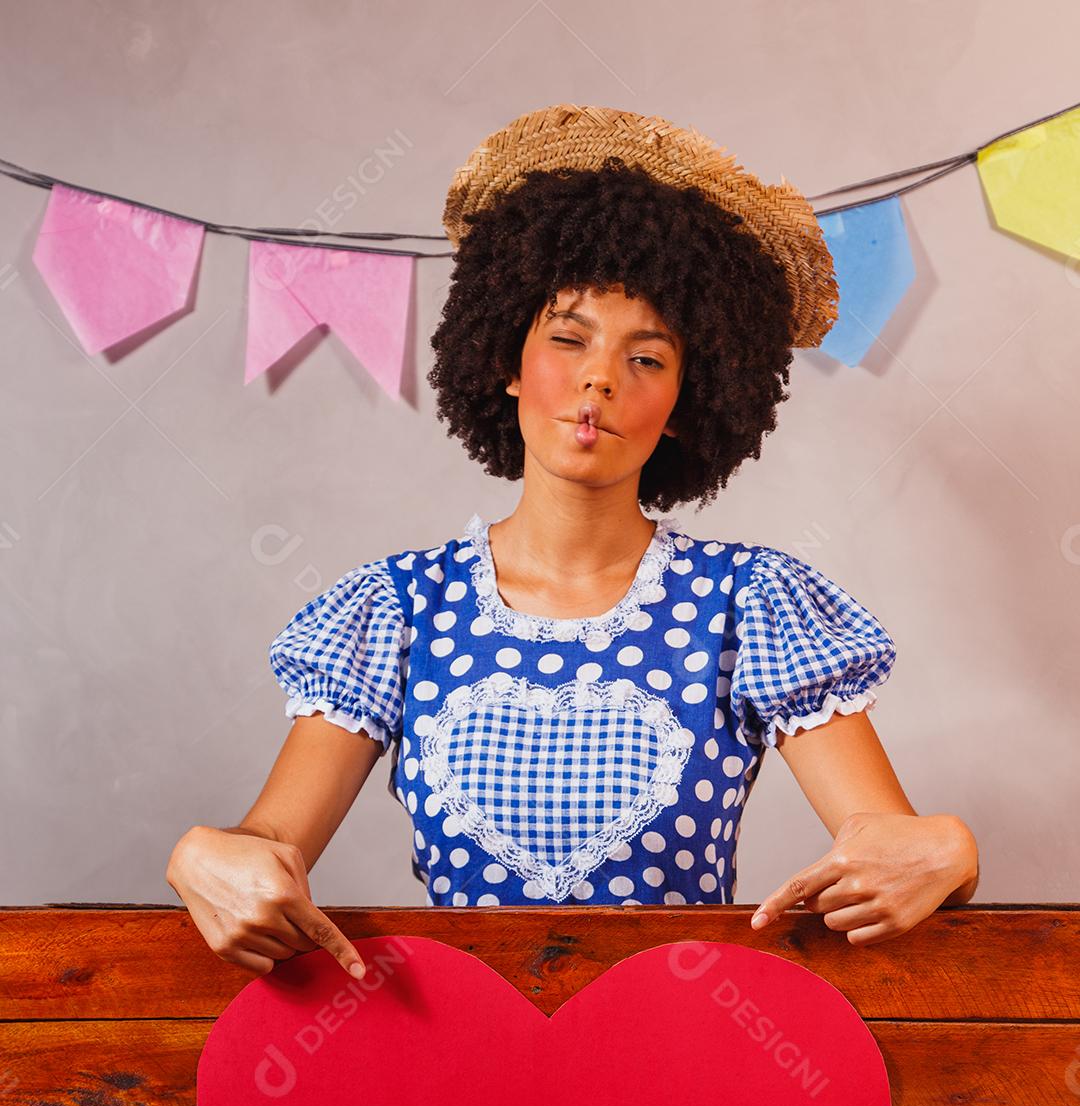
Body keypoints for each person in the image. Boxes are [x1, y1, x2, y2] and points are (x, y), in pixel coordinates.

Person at [166, 104, 979, 981]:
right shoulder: (396, 607)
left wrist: (949, 851)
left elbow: (888, 838)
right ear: (507, 360)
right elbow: (268, 841)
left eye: (648, 358)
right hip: (462, 1060)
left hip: (681, 1057)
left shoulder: (750, 603)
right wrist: (210, 857)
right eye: (568, 337)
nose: (600, 376)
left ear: (684, 408)